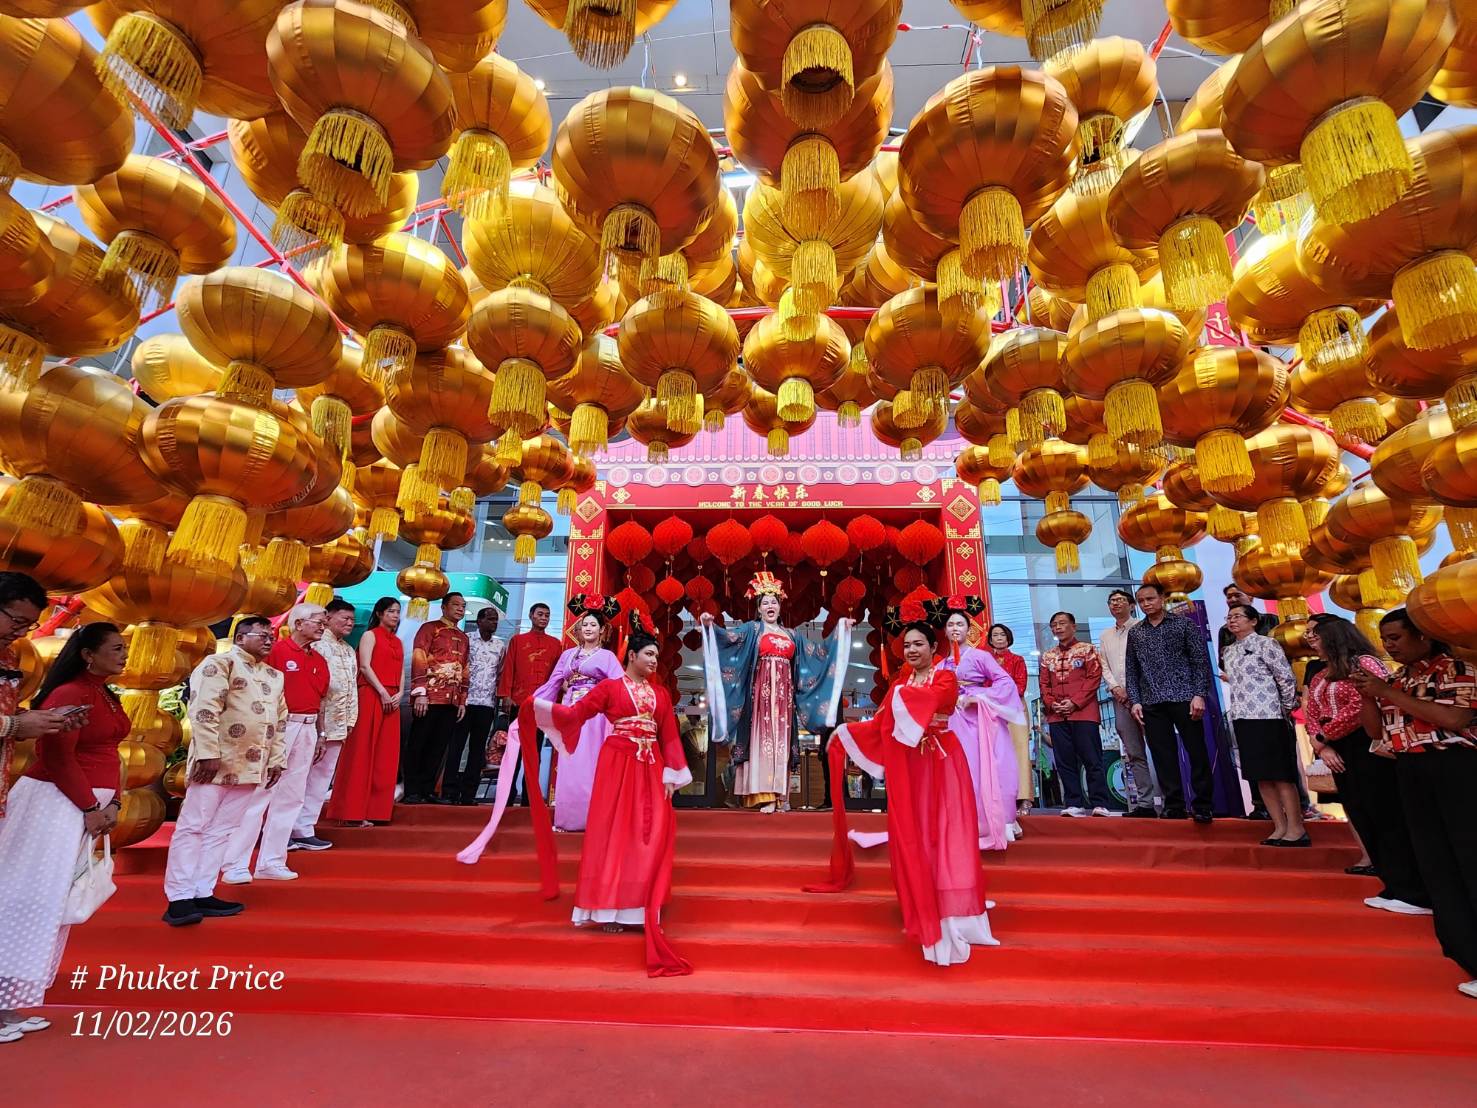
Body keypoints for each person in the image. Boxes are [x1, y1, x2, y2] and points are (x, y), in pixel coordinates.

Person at [810, 601, 997, 966]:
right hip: (910, 765)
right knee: (915, 833)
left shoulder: (945, 677)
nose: (911, 650)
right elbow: (881, 724)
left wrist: (899, 698)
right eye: (907, 645)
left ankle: (951, 911)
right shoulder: (900, 684)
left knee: (945, 832)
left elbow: (936, 700)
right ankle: (922, 903)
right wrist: (846, 733)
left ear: (933, 647)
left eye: (918, 644)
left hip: (941, 762)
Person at [519, 611, 694, 977]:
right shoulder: (610, 689)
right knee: (614, 832)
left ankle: (643, 906)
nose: (654, 661)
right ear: (632, 655)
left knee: (651, 832)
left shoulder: (661, 694)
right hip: (617, 763)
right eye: (649, 655)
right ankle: (608, 908)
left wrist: (673, 772)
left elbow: (669, 736)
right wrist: (538, 708)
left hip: (650, 765)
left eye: (656, 656)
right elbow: (575, 714)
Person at [0, 622, 125, 1041]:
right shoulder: (69, 692)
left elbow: (111, 753)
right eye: (115, 648)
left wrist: (114, 802)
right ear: (88, 654)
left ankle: (11, 1005)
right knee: (24, 898)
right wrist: (90, 806)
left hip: (85, 805)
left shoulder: (104, 693)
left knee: (52, 903)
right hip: (54, 804)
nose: (124, 655)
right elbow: (56, 758)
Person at [1355, 609, 1477, 998]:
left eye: (1395, 637)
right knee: (1437, 863)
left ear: (1423, 635)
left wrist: (1388, 693)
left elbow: (1454, 719)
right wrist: (1369, 696)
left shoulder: (1458, 667)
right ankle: (1469, 956)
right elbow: (1376, 731)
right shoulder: (1396, 678)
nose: (1388, 645)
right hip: (1410, 769)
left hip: (1457, 767)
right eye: (1384, 639)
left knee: (1470, 858)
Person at [161, 616, 287, 926]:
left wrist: (276, 760)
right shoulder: (219, 664)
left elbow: (280, 721)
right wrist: (207, 754)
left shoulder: (274, 676)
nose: (269, 640)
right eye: (261, 635)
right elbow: (204, 711)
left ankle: (203, 890)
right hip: (215, 763)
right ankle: (179, 897)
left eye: (271, 635)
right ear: (240, 638)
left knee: (222, 830)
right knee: (194, 826)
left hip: (252, 764)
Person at [1304, 616, 1429, 915]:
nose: (1311, 640)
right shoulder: (1320, 674)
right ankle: (1393, 884)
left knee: (1385, 814)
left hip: (1365, 744)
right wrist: (1321, 744)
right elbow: (1312, 712)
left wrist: (1325, 734)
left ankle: (1414, 890)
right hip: (1335, 748)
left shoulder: (1364, 663)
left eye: (1316, 635)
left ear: (1333, 637)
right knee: (1360, 812)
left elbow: (1361, 705)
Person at [701, 571, 853, 812]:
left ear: (780, 607)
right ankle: (766, 794)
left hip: (784, 699)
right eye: (765, 603)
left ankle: (781, 795)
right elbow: (728, 638)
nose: (770, 606)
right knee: (763, 740)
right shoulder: (752, 630)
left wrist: (841, 630)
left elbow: (819, 653)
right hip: (760, 698)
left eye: (774, 602)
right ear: (758, 608)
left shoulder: (792, 635)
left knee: (781, 741)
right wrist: (711, 626)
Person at [222, 603, 330, 884]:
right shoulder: (277, 651)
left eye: (324, 621)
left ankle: (272, 860)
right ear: (298, 623)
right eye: (317, 621)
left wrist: (321, 734)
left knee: (292, 796)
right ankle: (235, 863)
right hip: (278, 726)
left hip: (307, 727)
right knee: (259, 793)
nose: (323, 626)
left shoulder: (319, 660)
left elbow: (321, 701)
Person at [935, 594, 1027, 845]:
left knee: (985, 767)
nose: (955, 628)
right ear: (945, 631)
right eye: (951, 624)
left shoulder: (980, 656)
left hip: (979, 720)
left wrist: (980, 696)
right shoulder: (940, 664)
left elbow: (1005, 682)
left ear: (969, 630)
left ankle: (994, 819)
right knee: (957, 769)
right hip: (952, 720)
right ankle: (961, 819)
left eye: (960, 624)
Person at [1125, 582, 1215, 823]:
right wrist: (1135, 701)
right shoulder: (1136, 632)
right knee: (1163, 755)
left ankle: (1203, 805)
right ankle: (1174, 804)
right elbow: (1132, 670)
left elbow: (1199, 661)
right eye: (1141, 601)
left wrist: (1199, 694)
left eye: (1150, 599)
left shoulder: (1183, 624)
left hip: (1185, 697)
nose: (1146, 604)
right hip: (1151, 700)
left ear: (1162, 598)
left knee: (1196, 751)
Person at [537, 595, 624, 830]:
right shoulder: (567, 655)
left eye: (593, 625)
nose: (588, 628)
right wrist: (535, 704)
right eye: (584, 624)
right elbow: (553, 683)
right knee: (570, 762)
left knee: (591, 762)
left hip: (595, 716)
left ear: (602, 630)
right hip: (571, 712)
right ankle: (569, 818)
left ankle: (595, 818)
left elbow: (620, 687)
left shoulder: (607, 657)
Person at [1221, 603, 1305, 846]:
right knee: (1260, 776)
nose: (1232, 620)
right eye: (1229, 617)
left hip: (1269, 715)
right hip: (1242, 716)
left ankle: (1296, 827)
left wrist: (1286, 707)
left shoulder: (1267, 644)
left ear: (1253, 621)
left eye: (1238, 616)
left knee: (1280, 775)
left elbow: (1285, 677)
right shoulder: (1229, 651)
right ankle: (1279, 826)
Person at [325, 598, 404, 826]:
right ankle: (352, 811)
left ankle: (377, 810)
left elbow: (401, 670)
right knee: (363, 751)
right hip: (371, 694)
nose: (395, 615)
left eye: (398, 612)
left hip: (392, 698)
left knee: (386, 755)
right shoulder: (370, 635)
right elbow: (365, 666)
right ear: (379, 613)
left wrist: (400, 692)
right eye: (391, 611)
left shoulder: (398, 641)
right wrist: (382, 691)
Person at [0, 572, 70, 820]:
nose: (21, 633)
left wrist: (43, 719)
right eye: (17, 621)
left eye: (29, 625)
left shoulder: (8, 656)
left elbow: (7, 712)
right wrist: (15, 725)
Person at [291, 599, 360, 850]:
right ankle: (285, 827)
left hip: (339, 723)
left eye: (352, 620)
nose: (350, 624)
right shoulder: (317, 645)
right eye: (345, 619)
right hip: (313, 721)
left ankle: (305, 828)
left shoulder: (348, 650)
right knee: (298, 776)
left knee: (321, 778)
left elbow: (351, 687)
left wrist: (351, 719)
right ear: (328, 618)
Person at [1040, 612, 1111, 818]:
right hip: (1056, 715)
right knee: (1064, 761)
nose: (1058, 627)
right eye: (1054, 625)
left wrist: (1075, 702)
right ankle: (1073, 803)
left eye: (1062, 623)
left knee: (1092, 759)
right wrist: (1052, 704)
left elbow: (1093, 679)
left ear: (1074, 626)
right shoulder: (1047, 656)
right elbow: (1044, 684)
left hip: (1083, 713)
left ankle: (1100, 802)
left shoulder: (1087, 650)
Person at [403, 593, 469, 804]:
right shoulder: (430, 629)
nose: (460, 609)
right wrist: (420, 692)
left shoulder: (464, 637)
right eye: (455, 605)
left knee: (438, 747)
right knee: (418, 743)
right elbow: (419, 658)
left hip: (452, 700)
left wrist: (462, 699)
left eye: (463, 606)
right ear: (443, 607)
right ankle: (411, 790)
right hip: (430, 697)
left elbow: (465, 669)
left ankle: (428, 789)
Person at [1097, 589, 1157, 817]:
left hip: (1148, 696)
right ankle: (1146, 803)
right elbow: (1104, 665)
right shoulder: (1105, 636)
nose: (1116, 604)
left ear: (1132, 606)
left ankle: (1173, 801)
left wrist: (1135, 690)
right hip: (1120, 699)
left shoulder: (1143, 628)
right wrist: (1115, 688)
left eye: (1121, 600)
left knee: (1160, 747)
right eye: (1112, 601)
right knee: (1134, 752)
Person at [440, 605, 506, 805]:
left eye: (496, 620)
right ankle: (449, 791)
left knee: (478, 750)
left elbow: (500, 674)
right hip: (465, 702)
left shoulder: (500, 645)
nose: (494, 623)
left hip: (487, 703)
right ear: (479, 621)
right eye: (490, 619)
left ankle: (469, 793)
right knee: (457, 746)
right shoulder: (466, 639)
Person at [500, 602, 561, 804]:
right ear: (531, 616)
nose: (544, 618)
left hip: (541, 706)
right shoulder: (517, 640)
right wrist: (505, 694)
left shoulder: (555, 644)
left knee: (534, 752)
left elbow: (557, 677)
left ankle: (530, 798)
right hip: (518, 702)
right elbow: (509, 668)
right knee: (514, 750)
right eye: (540, 614)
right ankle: (507, 797)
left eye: (547, 615)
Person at [987, 622, 1033, 817]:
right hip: (992, 710)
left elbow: (1020, 686)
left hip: (1014, 709)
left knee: (1019, 753)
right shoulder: (985, 660)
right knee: (995, 754)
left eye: (1002, 635)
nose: (999, 638)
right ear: (990, 639)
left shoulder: (1017, 660)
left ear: (1008, 638)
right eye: (995, 635)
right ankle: (999, 799)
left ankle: (1024, 799)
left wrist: (996, 694)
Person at [1216, 584, 1280, 655]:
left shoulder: (1271, 620)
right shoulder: (1225, 630)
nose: (1233, 599)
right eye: (1229, 597)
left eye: (1237, 595)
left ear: (1250, 597)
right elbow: (1223, 659)